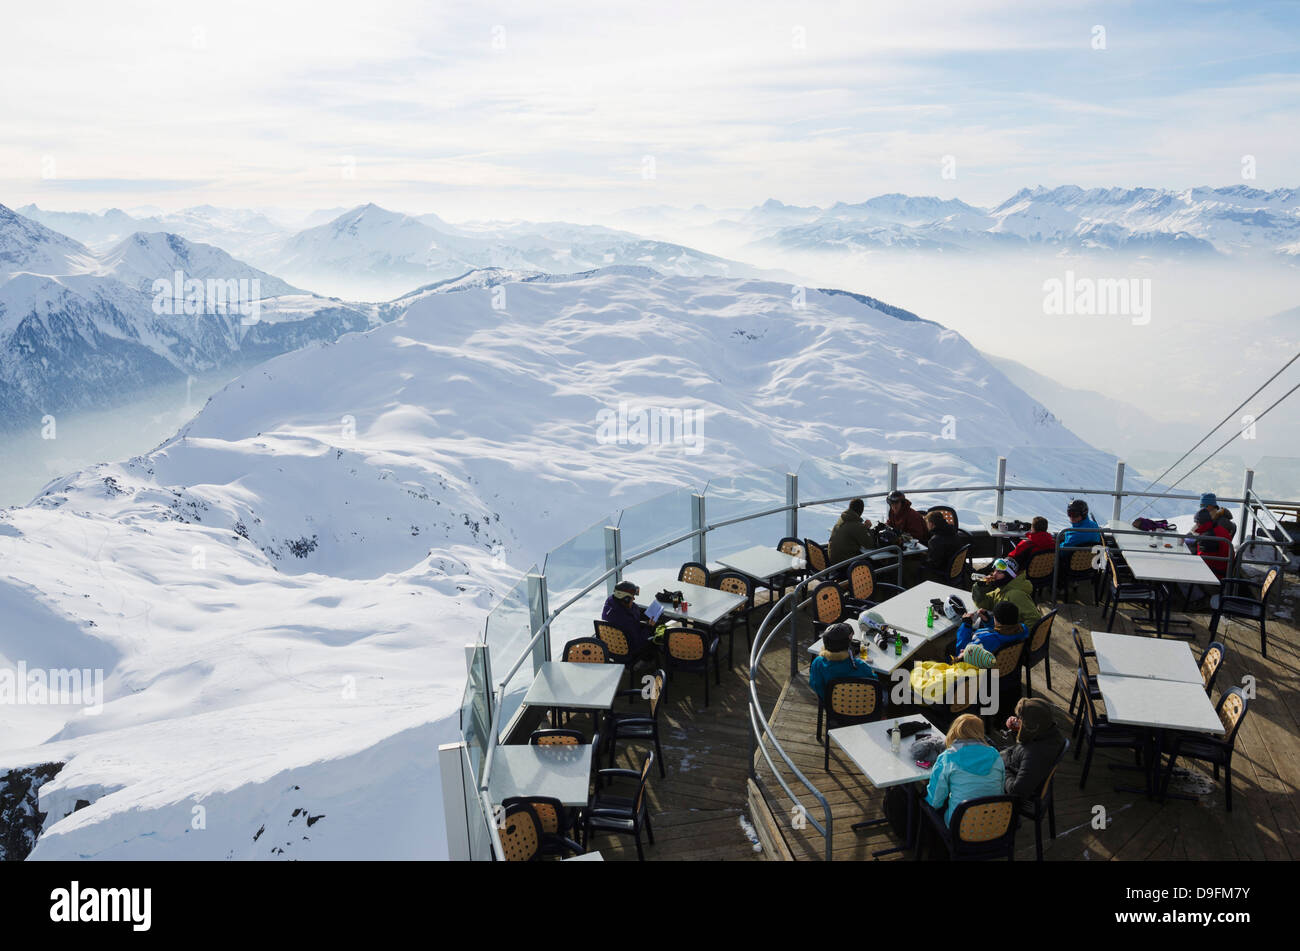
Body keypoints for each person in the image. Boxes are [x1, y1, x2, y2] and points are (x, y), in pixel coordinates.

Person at [925, 713, 1006, 825]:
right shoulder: (995, 755)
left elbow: (935, 802)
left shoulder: (947, 757)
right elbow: (1000, 790)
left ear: (955, 731)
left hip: (961, 827)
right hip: (995, 824)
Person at [1001, 698, 1066, 802]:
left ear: (1033, 726)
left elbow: (1016, 792)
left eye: (1021, 719)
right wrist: (1017, 731)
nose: (1018, 720)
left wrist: (1002, 769)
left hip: (1010, 783)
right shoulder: (1050, 731)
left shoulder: (1034, 755)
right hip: (1015, 762)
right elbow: (1025, 746)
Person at [809, 622, 879, 702]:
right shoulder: (860, 666)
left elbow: (814, 684)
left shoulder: (817, 663)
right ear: (848, 644)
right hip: (862, 707)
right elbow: (875, 683)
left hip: (832, 707)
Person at [971, 557, 1041, 622]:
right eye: (995, 570)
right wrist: (980, 587)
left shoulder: (1016, 595)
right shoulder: (1001, 590)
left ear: (1009, 576)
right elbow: (983, 603)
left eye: (999, 572)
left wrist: (1012, 633)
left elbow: (1035, 619)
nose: (994, 574)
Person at [601, 581, 657, 662]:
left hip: (610, 647)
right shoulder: (626, 619)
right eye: (632, 597)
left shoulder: (610, 602)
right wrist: (649, 627)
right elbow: (638, 642)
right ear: (626, 599)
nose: (634, 599)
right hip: (629, 650)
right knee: (654, 639)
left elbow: (630, 609)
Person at [954, 601, 1030, 660]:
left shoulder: (983, 640)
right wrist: (989, 622)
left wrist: (966, 626)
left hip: (986, 676)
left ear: (996, 620)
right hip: (1009, 670)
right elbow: (1002, 633)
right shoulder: (1023, 629)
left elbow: (962, 655)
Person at [829, 498, 879, 565]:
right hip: (844, 564)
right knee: (874, 563)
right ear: (861, 511)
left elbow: (852, 531)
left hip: (833, 560)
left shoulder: (842, 519)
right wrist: (867, 529)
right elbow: (870, 545)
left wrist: (863, 528)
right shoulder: (857, 525)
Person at [1189, 507, 1233, 580]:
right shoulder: (1220, 529)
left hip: (1216, 574)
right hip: (1225, 569)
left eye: (1196, 522)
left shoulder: (1207, 537)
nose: (1196, 524)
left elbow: (1202, 561)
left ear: (1200, 523)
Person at [921, 509, 962, 580]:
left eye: (927, 523)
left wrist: (922, 556)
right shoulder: (952, 532)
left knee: (913, 566)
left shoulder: (935, 540)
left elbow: (934, 563)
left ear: (931, 524)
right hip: (955, 569)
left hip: (943, 571)